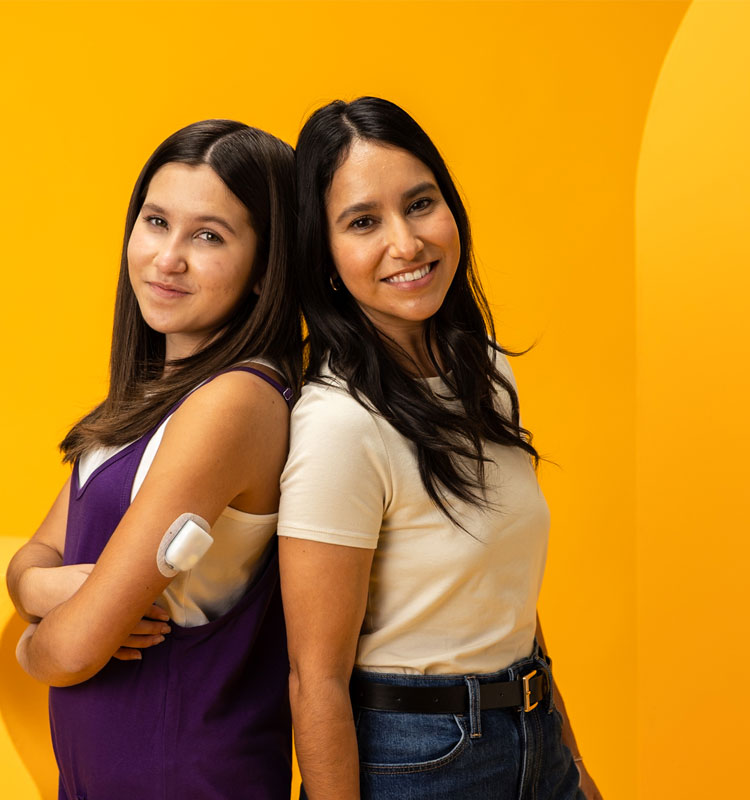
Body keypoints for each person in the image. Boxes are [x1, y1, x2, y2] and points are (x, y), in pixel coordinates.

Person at [278, 97, 602, 800]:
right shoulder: (340, 425)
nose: (407, 243)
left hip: (533, 732)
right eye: (363, 222)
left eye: (420, 204)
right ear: (324, 257)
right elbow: (315, 679)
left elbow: (504, 603)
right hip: (417, 762)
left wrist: (572, 764)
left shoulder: (486, 373)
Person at [4, 119, 301, 800]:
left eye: (209, 236)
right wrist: (39, 591)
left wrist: (30, 647)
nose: (168, 258)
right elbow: (33, 557)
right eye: (156, 222)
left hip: (186, 780)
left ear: (266, 269)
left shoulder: (234, 403)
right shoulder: (145, 400)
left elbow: (73, 651)